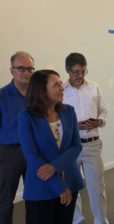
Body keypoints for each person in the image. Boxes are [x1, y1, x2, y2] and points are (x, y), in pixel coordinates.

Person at [18, 69, 84, 224]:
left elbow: (76, 146)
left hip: (70, 181)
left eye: (61, 83)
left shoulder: (69, 111)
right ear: (41, 90)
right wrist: (59, 186)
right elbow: (31, 155)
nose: (61, 88)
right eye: (56, 85)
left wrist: (54, 167)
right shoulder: (26, 116)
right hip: (41, 186)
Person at [63, 53, 109, 224]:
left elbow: (104, 110)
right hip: (70, 146)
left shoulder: (94, 87)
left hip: (92, 145)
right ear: (68, 70)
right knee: (72, 186)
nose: (80, 75)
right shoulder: (61, 90)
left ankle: (101, 220)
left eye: (83, 71)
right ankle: (76, 220)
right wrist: (75, 126)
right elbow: (57, 118)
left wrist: (99, 121)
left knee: (97, 187)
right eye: (75, 72)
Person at [0, 51, 34, 224]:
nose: (26, 72)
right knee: (4, 202)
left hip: (34, 154)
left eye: (30, 69)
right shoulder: (1, 95)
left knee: (35, 199)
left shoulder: (37, 96)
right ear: (12, 70)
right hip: (9, 154)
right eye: (21, 68)